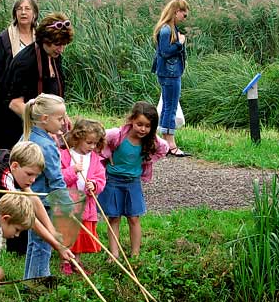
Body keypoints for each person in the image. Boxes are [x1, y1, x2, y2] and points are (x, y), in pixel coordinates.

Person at [97, 101, 169, 259]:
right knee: (113, 217)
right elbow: (100, 138)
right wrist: (105, 156)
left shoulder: (152, 141)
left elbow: (164, 148)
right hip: (113, 181)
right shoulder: (117, 135)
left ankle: (135, 254)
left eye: (148, 126)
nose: (143, 129)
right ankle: (114, 254)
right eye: (139, 124)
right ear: (131, 120)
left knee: (134, 217)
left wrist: (147, 160)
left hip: (133, 183)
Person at [4, 12, 74, 150]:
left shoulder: (54, 56)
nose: (61, 49)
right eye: (57, 44)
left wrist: (62, 116)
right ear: (44, 40)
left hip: (42, 124)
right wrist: (41, 128)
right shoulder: (25, 62)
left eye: (64, 44)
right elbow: (15, 104)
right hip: (18, 128)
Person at [21, 93, 73, 279]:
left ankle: (30, 279)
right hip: (43, 203)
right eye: (60, 118)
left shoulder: (28, 135)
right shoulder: (46, 146)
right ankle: (40, 281)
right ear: (44, 119)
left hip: (27, 200)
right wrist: (69, 207)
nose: (63, 122)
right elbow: (56, 181)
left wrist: (60, 136)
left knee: (34, 242)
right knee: (44, 244)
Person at [0, 0, 39, 149]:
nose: (23, 12)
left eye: (27, 9)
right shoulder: (5, 37)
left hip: (33, 95)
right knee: (8, 146)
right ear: (15, 13)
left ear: (34, 13)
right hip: (8, 98)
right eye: (19, 9)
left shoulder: (41, 37)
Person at [59, 119, 107, 275]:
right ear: (77, 138)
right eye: (89, 143)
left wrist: (94, 185)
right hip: (68, 204)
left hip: (86, 204)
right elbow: (58, 179)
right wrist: (71, 171)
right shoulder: (65, 155)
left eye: (95, 143)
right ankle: (65, 261)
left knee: (81, 233)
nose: (92, 147)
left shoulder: (95, 159)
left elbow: (101, 178)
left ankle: (76, 262)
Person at [151, 0, 190, 157]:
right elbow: (166, 52)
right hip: (170, 73)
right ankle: (170, 144)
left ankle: (166, 142)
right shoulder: (167, 30)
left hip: (169, 73)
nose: (185, 17)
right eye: (184, 13)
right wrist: (180, 44)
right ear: (176, 12)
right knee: (170, 107)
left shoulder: (168, 28)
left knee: (168, 106)